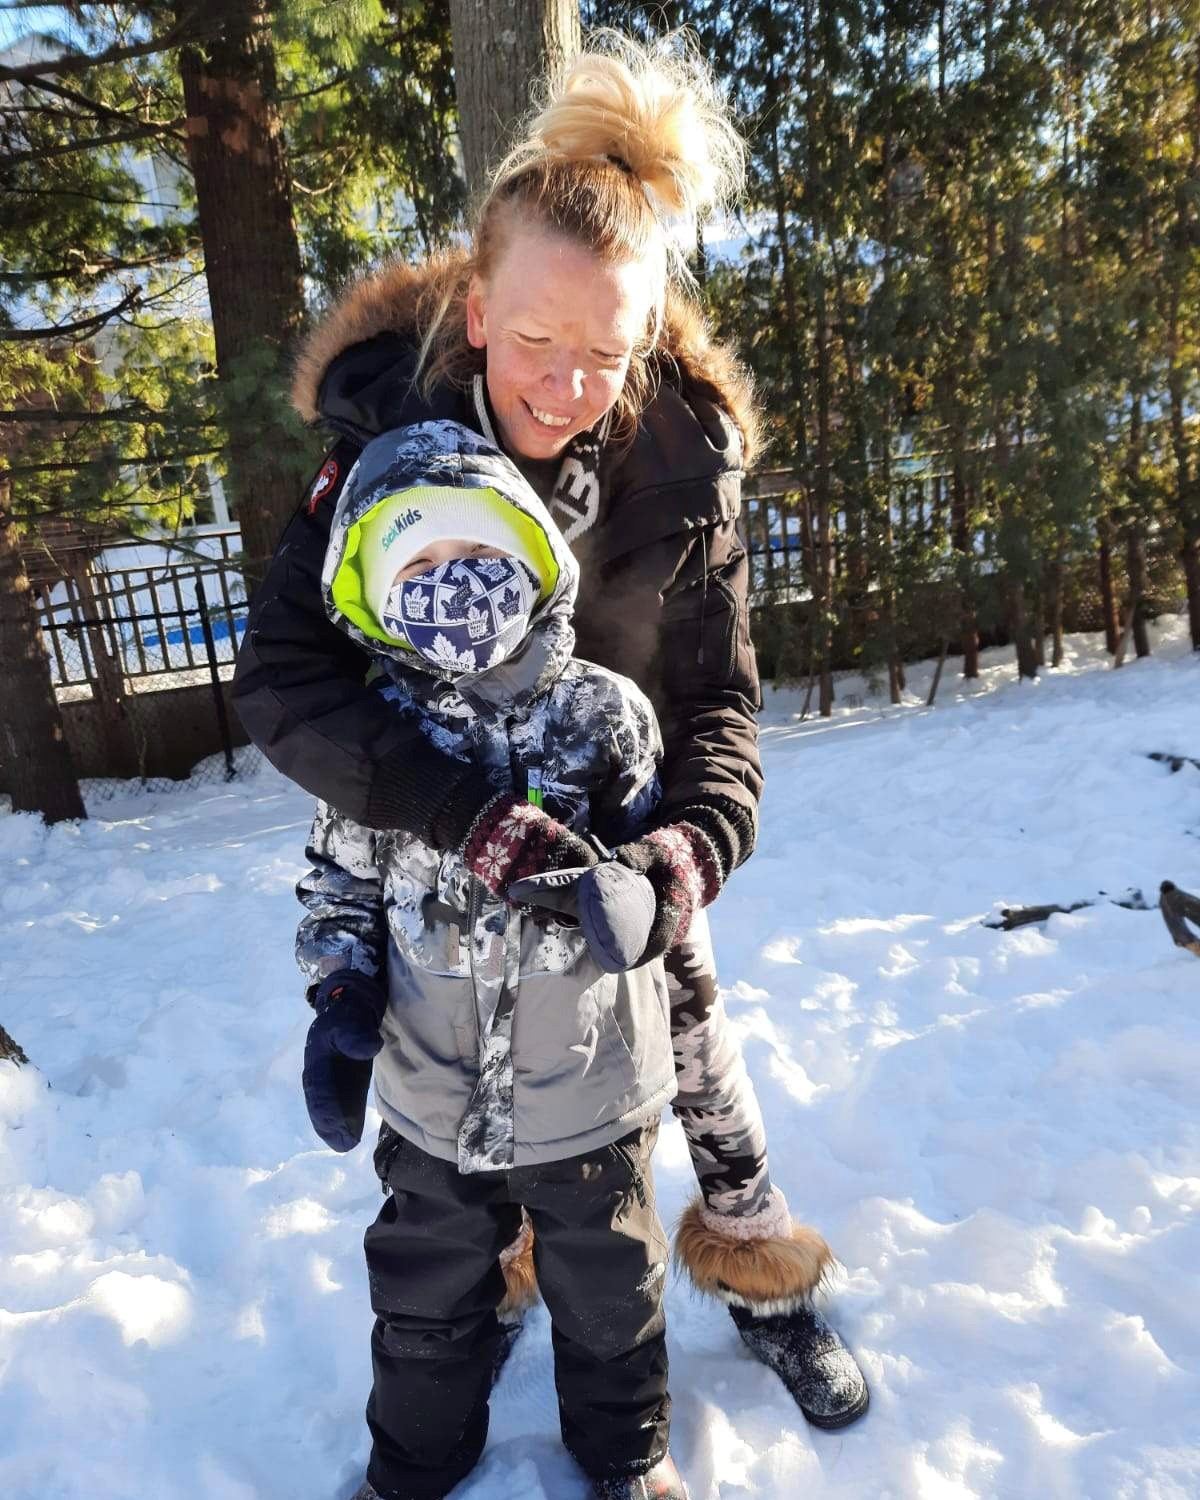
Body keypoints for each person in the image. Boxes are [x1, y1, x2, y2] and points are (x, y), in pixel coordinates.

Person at [232, 29, 868, 1472]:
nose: (569, 384)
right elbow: (280, 676)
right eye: (534, 340)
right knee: (460, 1130)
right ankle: (498, 1280)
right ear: (472, 301)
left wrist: (682, 849)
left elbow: (721, 716)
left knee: (698, 1056)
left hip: (617, 840)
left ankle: (760, 1265)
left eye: (606, 351)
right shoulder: (385, 440)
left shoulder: (680, 465)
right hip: (423, 834)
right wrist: (448, 813)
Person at [297, 419, 688, 1498]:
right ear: (372, 594)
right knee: (422, 1299)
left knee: (612, 1296)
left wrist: (640, 891)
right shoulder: (375, 745)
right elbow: (340, 889)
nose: (451, 584)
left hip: (592, 1092)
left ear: (529, 557)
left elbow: (660, 878)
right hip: (430, 1099)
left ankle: (626, 1451)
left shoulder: (608, 718)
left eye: (474, 555)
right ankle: (415, 1463)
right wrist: (339, 996)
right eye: (415, 566)